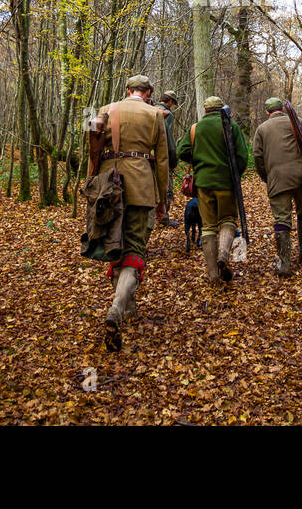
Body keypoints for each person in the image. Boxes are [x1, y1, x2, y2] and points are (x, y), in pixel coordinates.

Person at [93, 74, 169, 351]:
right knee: (135, 249)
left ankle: (126, 307)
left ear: (127, 91)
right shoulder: (155, 114)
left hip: (108, 185)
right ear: (148, 92)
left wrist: (92, 182)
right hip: (140, 186)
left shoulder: (106, 109)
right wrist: (161, 198)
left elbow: (93, 148)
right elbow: (162, 160)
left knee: (116, 246)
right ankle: (118, 307)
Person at [178, 95, 249, 283]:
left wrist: (198, 161)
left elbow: (181, 151)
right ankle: (224, 255)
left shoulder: (196, 128)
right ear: (221, 110)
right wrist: (235, 174)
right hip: (226, 183)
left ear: (205, 110)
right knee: (227, 220)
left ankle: (212, 275)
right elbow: (242, 157)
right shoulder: (231, 126)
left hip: (203, 184)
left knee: (208, 226)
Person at [251, 97, 302, 276]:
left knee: (282, 220)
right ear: (282, 108)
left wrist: (267, 177)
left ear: (267, 113)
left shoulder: (262, 129)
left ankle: (284, 264)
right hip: (301, 178)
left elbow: (257, 157)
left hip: (277, 179)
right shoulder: (297, 122)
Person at [154, 90, 180, 227]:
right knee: (166, 189)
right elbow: (167, 138)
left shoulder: (150, 109)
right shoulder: (167, 114)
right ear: (170, 101)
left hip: (148, 158)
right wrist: (172, 161)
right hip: (162, 159)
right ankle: (163, 218)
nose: (173, 105)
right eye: (173, 103)